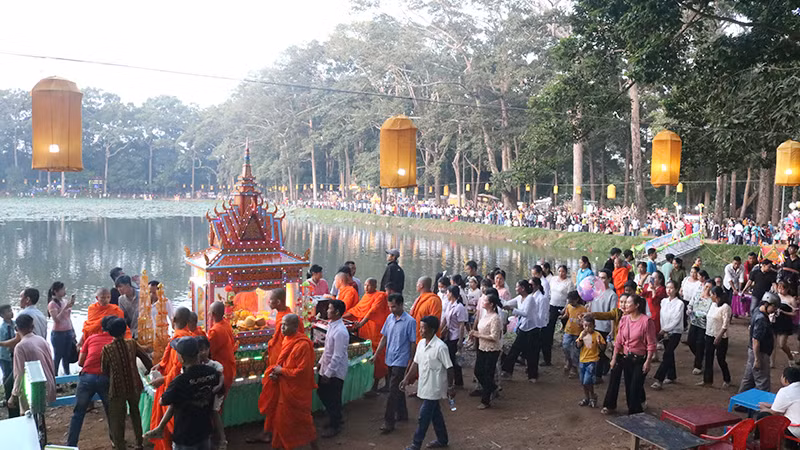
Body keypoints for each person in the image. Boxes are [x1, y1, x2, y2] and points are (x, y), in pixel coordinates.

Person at [254, 314, 319, 449]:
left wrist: (281, 371)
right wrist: (276, 375)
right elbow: (284, 363)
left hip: (297, 391)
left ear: (295, 326)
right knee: (281, 422)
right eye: (281, 324)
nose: (282, 328)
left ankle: (314, 447)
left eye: (285, 325)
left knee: (304, 422)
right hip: (285, 388)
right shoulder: (287, 340)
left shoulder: (303, 345)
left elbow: (302, 371)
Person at [400, 315, 455, 450]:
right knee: (435, 414)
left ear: (432, 330)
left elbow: (449, 368)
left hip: (435, 387)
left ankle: (416, 444)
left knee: (423, 416)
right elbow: (416, 363)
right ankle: (442, 439)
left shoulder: (440, 347)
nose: (420, 331)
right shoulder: (421, 344)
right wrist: (406, 379)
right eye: (420, 328)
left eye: (423, 328)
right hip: (425, 384)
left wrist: (450, 386)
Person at [160, 336, 220, 450]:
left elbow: (163, 401)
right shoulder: (212, 373)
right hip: (205, 431)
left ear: (181, 358)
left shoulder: (180, 381)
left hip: (185, 436)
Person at [601, 295, 656, 415]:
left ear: (637, 305)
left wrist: (648, 361)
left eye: (628, 303)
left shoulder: (646, 321)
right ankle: (633, 412)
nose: (625, 305)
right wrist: (614, 358)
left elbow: (651, 344)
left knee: (635, 388)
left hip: (640, 359)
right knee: (628, 387)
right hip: (627, 358)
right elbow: (619, 341)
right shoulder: (624, 319)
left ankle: (635, 413)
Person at [149, 307, 194, 450]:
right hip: (174, 383)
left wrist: (162, 380)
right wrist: (161, 364)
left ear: (173, 320)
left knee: (172, 423)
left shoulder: (180, 341)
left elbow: (178, 371)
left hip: (173, 386)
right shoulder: (186, 338)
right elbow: (173, 364)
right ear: (188, 321)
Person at [67, 315, 115, 447]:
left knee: (78, 413)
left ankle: (71, 444)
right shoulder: (115, 342)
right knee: (111, 411)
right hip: (106, 378)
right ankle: (115, 440)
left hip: (87, 377)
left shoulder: (91, 338)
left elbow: (81, 362)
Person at [103, 316, 149, 450]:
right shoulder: (132, 344)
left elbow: (104, 369)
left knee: (118, 418)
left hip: (117, 388)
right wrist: (149, 371)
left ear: (109, 332)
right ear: (125, 331)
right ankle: (139, 442)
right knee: (135, 413)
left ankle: (120, 445)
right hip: (134, 385)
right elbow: (145, 358)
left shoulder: (107, 349)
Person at [373, 293, 416, 434]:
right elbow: (384, 338)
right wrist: (377, 354)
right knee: (397, 387)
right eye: (390, 307)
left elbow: (413, 342)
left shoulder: (410, 321)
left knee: (392, 391)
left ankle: (389, 421)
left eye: (394, 307)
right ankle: (402, 413)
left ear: (401, 305)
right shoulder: (389, 318)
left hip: (401, 360)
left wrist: (411, 361)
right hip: (390, 357)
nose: (391, 309)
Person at [343, 278, 390, 394]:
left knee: (379, 355)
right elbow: (357, 309)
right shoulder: (365, 296)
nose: (366, 287)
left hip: (376, 330)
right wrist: (341, 316)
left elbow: (372, 311)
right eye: (365, 285)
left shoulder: (380, 296)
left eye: (368, 285)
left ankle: (380, 385)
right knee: (369, 354)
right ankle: (372, 383)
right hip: (366, 330)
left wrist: (361, 323)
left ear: (375, 286)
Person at [8, 314, 56, 413]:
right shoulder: (41, 340)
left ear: (16, 329)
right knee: (40, 414)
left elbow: (19, 373)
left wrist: (13, 394)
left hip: (32, 389)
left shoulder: (20, 347)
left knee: (28, 415)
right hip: (47, 384)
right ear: (33, 327)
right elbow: (50, 363)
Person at [502, 278, 547, 383]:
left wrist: (512, 309)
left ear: (522, 288)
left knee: (532, 353)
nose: (515, 289)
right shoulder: (519, 298)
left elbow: (526, 313)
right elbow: (507, 303)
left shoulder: (530, 299)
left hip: (532, 329)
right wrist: (498, 300)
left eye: (517, 287)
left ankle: (533, 375)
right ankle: (507, 371)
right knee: (514, 349)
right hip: (523, 328)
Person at [317, 300, 349, 438]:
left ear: (336, 312)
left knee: (332, 397)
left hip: (335, 371)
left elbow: (337, 355)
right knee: (323, 393)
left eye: (329, 308)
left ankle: (335, 425)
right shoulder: (332, 325)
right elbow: (327, 349)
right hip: (327, 366)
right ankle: (334, 417)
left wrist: (328, 373)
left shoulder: (341, 331)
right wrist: (320, 362)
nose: (327, 310)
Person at [739, 293, 781, 393]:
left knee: (748, 380)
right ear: (767, 304)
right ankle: (762, 403)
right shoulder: (761, 319)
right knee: (763, 383)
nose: (774, 310)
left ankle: (739, 400)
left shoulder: (757, 310)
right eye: (774, 307)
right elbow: (756, 340)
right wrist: (757, 359)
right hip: (759, 353)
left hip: (753, 352)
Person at [469, 294, 503, 408]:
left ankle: (485, 400)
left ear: (491, 304)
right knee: (478, 371)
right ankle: (492, 388)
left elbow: (494, 336)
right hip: (482, 347)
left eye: (485, 301)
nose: (483, 302)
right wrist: (475, 333)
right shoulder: (485, 315)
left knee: (488, 374)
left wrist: (478, 335)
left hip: (492, 349)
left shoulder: (495, 318)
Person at [652, 281, 685, 390]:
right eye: (667, 288)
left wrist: (665, 329)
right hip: (665, 331)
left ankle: (659, 379)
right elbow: (662, 317)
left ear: (676, 289)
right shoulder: (664, 301)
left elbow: (676, 319)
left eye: (671, 288)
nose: (669, 290)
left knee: (667, 354)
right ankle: (671, 375)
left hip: (675, 332)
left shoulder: (680, 304)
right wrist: (664, 329)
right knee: (669, 353)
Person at [757, 367, 800, 442]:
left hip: (795, 429)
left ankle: (761, 441)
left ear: (785, 380)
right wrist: (771, 405)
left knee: (762, 415)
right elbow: (792, 402)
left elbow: (774, 412)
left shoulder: (785, 391)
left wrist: (763, 408)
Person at [207, 301, 236, 407]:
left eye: (209, 311)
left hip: (222, 370)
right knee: (219, 404)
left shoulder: (215, 331)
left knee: (216, 406)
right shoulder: (226, 324)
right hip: (229, 367)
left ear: (213, 314)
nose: (208, 313)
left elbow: (209, 352)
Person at [702, 286, 732, 388]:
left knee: (720, 359)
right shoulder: (713, 305)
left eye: (711, 294)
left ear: (715, 295)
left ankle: (727, 379)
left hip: (721, 337)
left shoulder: (726, 307)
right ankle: (707, 380)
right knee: (708, 358)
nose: (710, 296)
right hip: (709, 334)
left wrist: (719, 336)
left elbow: (725, 324)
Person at [592, 270, 618, 380]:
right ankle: (604, 363)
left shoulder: (612, 295)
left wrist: (612, 330)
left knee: (599, 351)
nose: (601, 280)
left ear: (609, 279)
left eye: (603, 278)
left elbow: (612, 314)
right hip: (593, 325)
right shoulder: (595, 291)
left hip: (604, 327)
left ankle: (597, 376)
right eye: (599, 277)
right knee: (594, 350)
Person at [440, 285, 467, 387]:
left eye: (447, 293)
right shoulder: (449, 304)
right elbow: (445, 319)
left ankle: (458, 381)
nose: (446, 295)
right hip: (449, 335)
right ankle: (451, 380)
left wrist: (460, 341)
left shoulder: (459, 307)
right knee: (448, 357)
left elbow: (461, 325)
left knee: (453, 359)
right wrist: (439, 331)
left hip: (455, 336)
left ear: (451, 294)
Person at [576, 314, 606, 408]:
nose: (587, 328)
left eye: (590, 326)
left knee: (587, 380)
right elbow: (578, 346)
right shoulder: (582, 334)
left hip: (592, 360)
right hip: (582, 360)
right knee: (583, 381)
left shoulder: (597, 335)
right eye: (585, 326)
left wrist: (599, 343)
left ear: (594, 326)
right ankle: (587, 397)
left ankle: (592, 396)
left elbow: (603, 348)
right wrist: (581, 338)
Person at [47, 281, 75, 376]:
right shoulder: (52, 304)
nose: (64, 291)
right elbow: (56, 320)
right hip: (58, 333)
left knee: (67, 356)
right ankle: (54, 377)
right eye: (62, 289)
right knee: (58, 356)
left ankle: (67, 375)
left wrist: (73, 331)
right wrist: (65, 308)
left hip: (68, 331)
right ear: (55, 291)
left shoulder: (64, 301)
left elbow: (68, 318)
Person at [687, 280, 713, 375]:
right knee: (690, 341)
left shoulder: (712, 300)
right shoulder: (697, 294)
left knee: (700, 343)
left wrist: (698, 313)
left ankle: (698, 365)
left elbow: (709, 312)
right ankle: (701, 356)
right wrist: (689, 310)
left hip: (704, 325)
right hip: (694, 322)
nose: (707, 289)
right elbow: (690, 304)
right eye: (706, 286)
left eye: (710, 288)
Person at [560, 290, 587, 378]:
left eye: (572, 301)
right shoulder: (569, 307)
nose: (571, 303)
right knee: (565, 346)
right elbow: (567, 315)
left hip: (578, 332)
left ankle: (574, 367)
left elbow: (585, 320)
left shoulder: (583, 309)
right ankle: (568, 360)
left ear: (577, 300)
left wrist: (582, 323)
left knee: (576, 351)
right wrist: (562, 317)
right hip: (568, 330)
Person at [0, 304, 20, 418]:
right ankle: (9, 400)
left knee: (14, 377)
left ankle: (15, 398)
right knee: (8, 377)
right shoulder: (2, 328)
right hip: (5, 357)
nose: (11, 312)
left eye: (11, 310)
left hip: (14, 356)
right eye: (8, 311)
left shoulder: (15, 324)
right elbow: (4, 344)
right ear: (2, 315)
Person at [410, 277, 443, 343]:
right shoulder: (419, 298)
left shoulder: (434, 300)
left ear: (421, 285)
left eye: (417, 283)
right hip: (416, 336)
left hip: (427, 339)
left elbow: (434, 322)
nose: (416, 285)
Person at [774, 280, 797, 367]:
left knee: (782, 344)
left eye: (782, 289)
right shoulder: (776, 296)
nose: (780, 290)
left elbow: (794, 314)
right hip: (775, 321)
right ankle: (771, 362)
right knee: (772, 343)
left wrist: (784, 312)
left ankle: (790, 357)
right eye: (779, 288)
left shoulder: (791, 299)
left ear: (787, 289)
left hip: (785, 323)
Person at [643, 271, 666, 336]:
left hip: (655, 312)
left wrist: (653, 290)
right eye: (651, 278)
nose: (652, 280)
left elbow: (655, 301)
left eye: (654, 278)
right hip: (646, 310)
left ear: (660, 280)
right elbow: (639, 293)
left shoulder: (662, 289)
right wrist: (642, 280)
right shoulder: (647, 286)